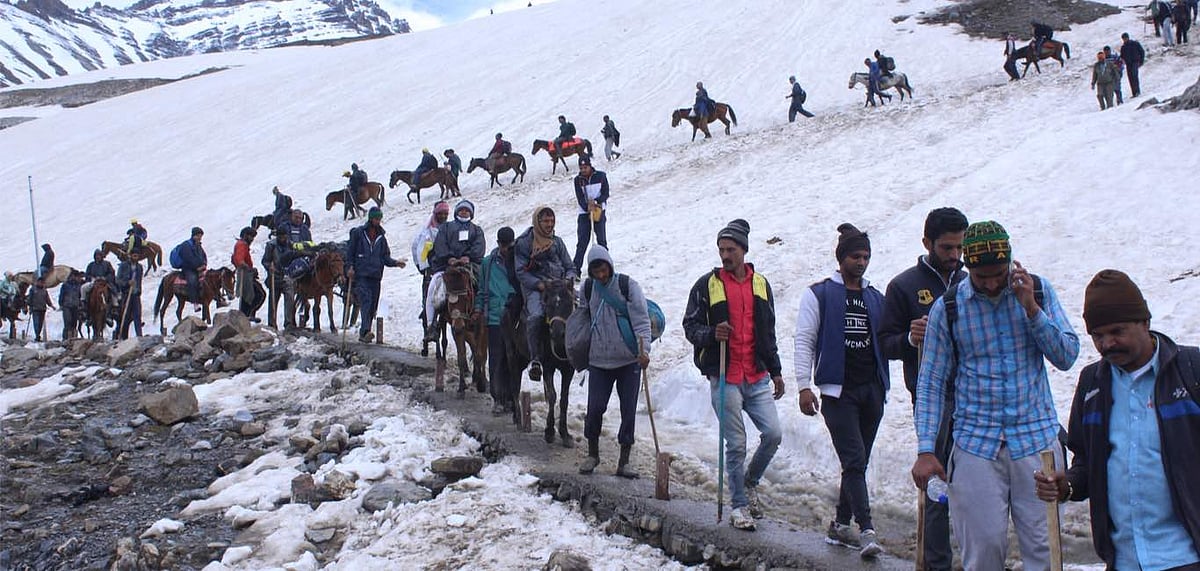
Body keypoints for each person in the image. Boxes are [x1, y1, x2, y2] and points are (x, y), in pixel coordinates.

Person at [911, 220, 1080, 571]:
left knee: (1045, 550)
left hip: (1036, 442)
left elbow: (1066, 356)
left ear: (1011, 263)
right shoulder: (950, 307)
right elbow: (931, 382)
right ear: (967, 267)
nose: (989, 283)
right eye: (980, 276)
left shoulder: (1040, 292)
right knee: (983, 551)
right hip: (976, 445)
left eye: (997, 274)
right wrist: (927, 448)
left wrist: (1031, 309)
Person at [1033, 271, 1200, 570]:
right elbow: (1086, 462)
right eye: (1098, 336)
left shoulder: (1192, 371)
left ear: (1145, 322)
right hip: (1123, 559)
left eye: (1117, 331)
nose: (1107, 343)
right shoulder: (1092, 384)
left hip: (1186, 556)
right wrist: (1066, 485)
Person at [878, 207, 968, 570]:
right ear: (927, 242)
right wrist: (908, 339)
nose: (954, 256)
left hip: (974, 394)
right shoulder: (904, 285)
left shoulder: (970, 281)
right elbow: (884, 342)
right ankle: (936, 562)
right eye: (947, 247)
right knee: (938, 482)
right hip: (931, 396)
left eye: (959, 247)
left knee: (977, 480)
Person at [682, 219, 784, 531]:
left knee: (774, 434)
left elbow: (768, 332)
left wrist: (776, 371)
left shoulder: (760, 284)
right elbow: (690, 326)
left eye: (731, 249)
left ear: (743, 250)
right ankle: (739, 506)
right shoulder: (707, 285)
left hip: (756, 375)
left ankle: (750, 481)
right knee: (736, 445)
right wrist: (713, 333)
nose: (725, 255)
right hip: (724, 375)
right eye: (722, 249)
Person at [794, 224, 888, 558]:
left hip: (872, 389)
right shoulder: (820, 294)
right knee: (854, 458)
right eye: (855, 256)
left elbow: (888, 338)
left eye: (865, 256)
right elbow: (805, 340)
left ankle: (839, 523)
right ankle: (867, 530)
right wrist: (804, 386)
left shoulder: (875, 297)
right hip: (838, 392)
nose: (861, 262)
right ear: (841, 257)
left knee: (856, 462)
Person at [575, 245, 651, 478]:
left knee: (628, 410)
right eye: (596, 271)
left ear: (610, 265)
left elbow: (641, 320)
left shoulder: (628, 286)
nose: (601, 275)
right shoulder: (587, 289)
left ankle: (624, 461)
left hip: (628, 360)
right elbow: (582, 319)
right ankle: (592, 454)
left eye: (603, 269)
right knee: (595, 408)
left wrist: (644, 350)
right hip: (598, 361)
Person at [514, 206, 578, 381]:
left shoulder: (557, 242)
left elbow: (570, 267)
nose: (549, 225)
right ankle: (535, 359)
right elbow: (521, 271)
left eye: (552, 221)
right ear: (537, 221)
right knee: (536, 315)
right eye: (545, 221)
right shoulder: (524, 243)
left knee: (582, 309)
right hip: (536, 287)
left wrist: (569, 281)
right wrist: (539, 284)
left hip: (560, 286)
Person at [475, 226, 522, 416]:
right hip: (494, 316)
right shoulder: (488, 263)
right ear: (498, 244)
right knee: (496, 358)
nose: (506, 250)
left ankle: (512, 398)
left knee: (514, 359)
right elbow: (482, 289)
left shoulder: (519, 260)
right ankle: (498, 398)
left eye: (509, 246)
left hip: (514, 315)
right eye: (503, 246)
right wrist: (479, 309)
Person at [425, 199, 486, 339]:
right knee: (434, 287)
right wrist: (449, 258)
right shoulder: (446, 228)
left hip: (470, 266)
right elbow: (440, 245)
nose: (464, 212)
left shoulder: (476, 230)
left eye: (467, 210)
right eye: (461, 210)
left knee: (483, 285)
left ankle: (481, 314)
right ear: (456, 212)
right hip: (447, 266)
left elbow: (479, 246)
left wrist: (468, 257)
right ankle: (431, 324)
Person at [346, 207, 406, 342]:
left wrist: (396, 263)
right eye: (375, 218)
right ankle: (365, 332)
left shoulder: (381, 237)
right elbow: (350, 253)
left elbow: (385, 257)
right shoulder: (359, 233)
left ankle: (365, 332)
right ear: (370, 218)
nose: (378, 221)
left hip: (376, 275)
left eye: (379, 218)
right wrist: (349, 267)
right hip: (361, 275)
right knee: (366, 301)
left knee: (373, 305)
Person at [412, 201, 450, 327]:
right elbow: (419, 251)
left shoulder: (449, 228)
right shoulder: (427, 232)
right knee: (429, 294)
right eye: (441, 213)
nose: (444, 216)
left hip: (447, 266)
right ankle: (430, 323)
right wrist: (423, 268)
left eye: (446, 213)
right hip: (432, 268)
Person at [572, 155, 610, 273]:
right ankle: (576, 270)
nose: (583, 170)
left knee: (601, 240)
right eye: (581, 168)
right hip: (584, 213)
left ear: (590, 166)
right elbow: (580, 197)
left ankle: (606, 266)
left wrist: (597, 202)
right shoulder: (578, 180)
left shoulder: (601, 176)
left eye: (585, 167)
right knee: (582, 242)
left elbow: (605, 193)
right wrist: (586, 206)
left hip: (598, 211)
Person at [176, 227, 209, 312]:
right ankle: (195, 302)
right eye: (198, 236)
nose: (200, 238)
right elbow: (188, 259)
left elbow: (203, 256)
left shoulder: (198, 245)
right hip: (189, 269)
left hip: (200, 268)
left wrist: (204, 264)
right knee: (192, 281)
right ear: (194, 235)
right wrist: (197, 267)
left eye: (200, 236)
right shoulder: (186, 246)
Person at [115, 250, 144, 339]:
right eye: (134, 255)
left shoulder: (139, 267)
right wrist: (127, 283)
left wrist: (138, 290)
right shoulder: (123, 266)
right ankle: (124, 337)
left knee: (137, 315)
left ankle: (139, 336)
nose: (135, 258)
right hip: (126, 294)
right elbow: (118, 280)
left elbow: (139, 281)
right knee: (125, 316)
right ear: (130, 256)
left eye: (137, 256)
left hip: (135, 294)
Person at [232, 226, 259, 321]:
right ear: (245, 235)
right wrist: (249, 268)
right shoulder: (242, 245)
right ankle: (247, 315)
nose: (252, 239)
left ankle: (245, 315)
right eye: (251, 236)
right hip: (245, 273)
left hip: (245, 272)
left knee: (247, 294)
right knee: (255, 294)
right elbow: (240, 260)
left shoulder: (241, 244)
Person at [1119, 33, 1146, 97]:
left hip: (1135, 62)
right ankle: (1134, 93)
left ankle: (1137, 91)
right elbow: (1122, 56)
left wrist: (1141, 61)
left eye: (1125, 38)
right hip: (1128, 64)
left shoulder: (1135, 44)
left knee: (1134, 76)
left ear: (1128, 37)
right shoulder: (1123, 47)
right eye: (1123, 39)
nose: (1124, 40)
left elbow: (1142, 51)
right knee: (1130, 77)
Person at [28, 277, 54, 342]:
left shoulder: (44, 291)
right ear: (37, 282)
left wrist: (51, 305)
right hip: (35, 309)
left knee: (40, 324)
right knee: (36, 323)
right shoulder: (33, 290)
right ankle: (37, 335)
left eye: (42, 282)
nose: (41, 284)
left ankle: (38, 334)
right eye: (40, 282)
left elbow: (47, 299)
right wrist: (30, 307)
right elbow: (30, 299)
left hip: (42, 309)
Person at [59, 271, 83, 341]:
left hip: (75, 306)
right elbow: (61, 295)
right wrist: (61, 304)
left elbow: (80, 296)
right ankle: (66, 338)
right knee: (67, 322)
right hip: (67, 306)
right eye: (77, 277)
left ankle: (73, 338)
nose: (78, 278)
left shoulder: (79, 286)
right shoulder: (65, 285)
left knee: (74, 322)